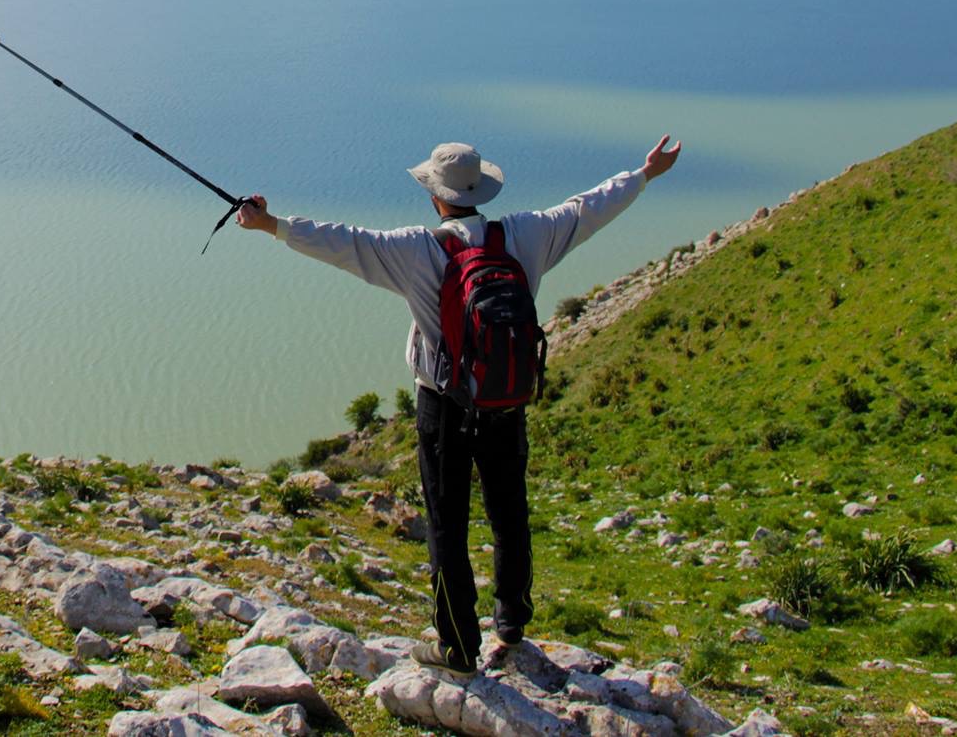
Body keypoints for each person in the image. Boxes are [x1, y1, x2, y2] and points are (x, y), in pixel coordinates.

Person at [235, 135, 681, 675]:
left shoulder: (415, 249)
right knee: (508, 510)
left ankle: (457, 646)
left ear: (435, 196)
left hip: (443, 406)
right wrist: (644, 173)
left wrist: (271, 224)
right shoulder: (527, 233)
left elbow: (345, 241)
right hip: (505, 399)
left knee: (447, 523)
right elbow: (587, 209)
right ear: (480, 192)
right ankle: (512, 620)